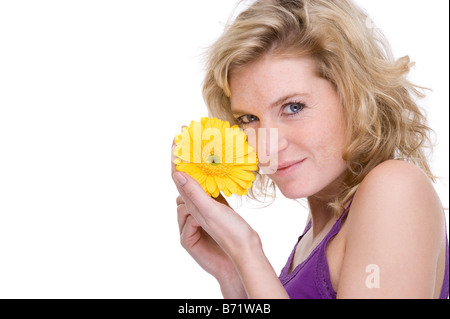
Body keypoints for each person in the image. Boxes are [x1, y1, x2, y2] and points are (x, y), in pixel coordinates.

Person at [171, 0, 449, 299]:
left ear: (355, 96)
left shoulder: (395, 189)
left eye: (293, 107)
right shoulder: (318, 232)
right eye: (249, 119)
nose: (267, 145)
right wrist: (233, 276)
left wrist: (246, 251)